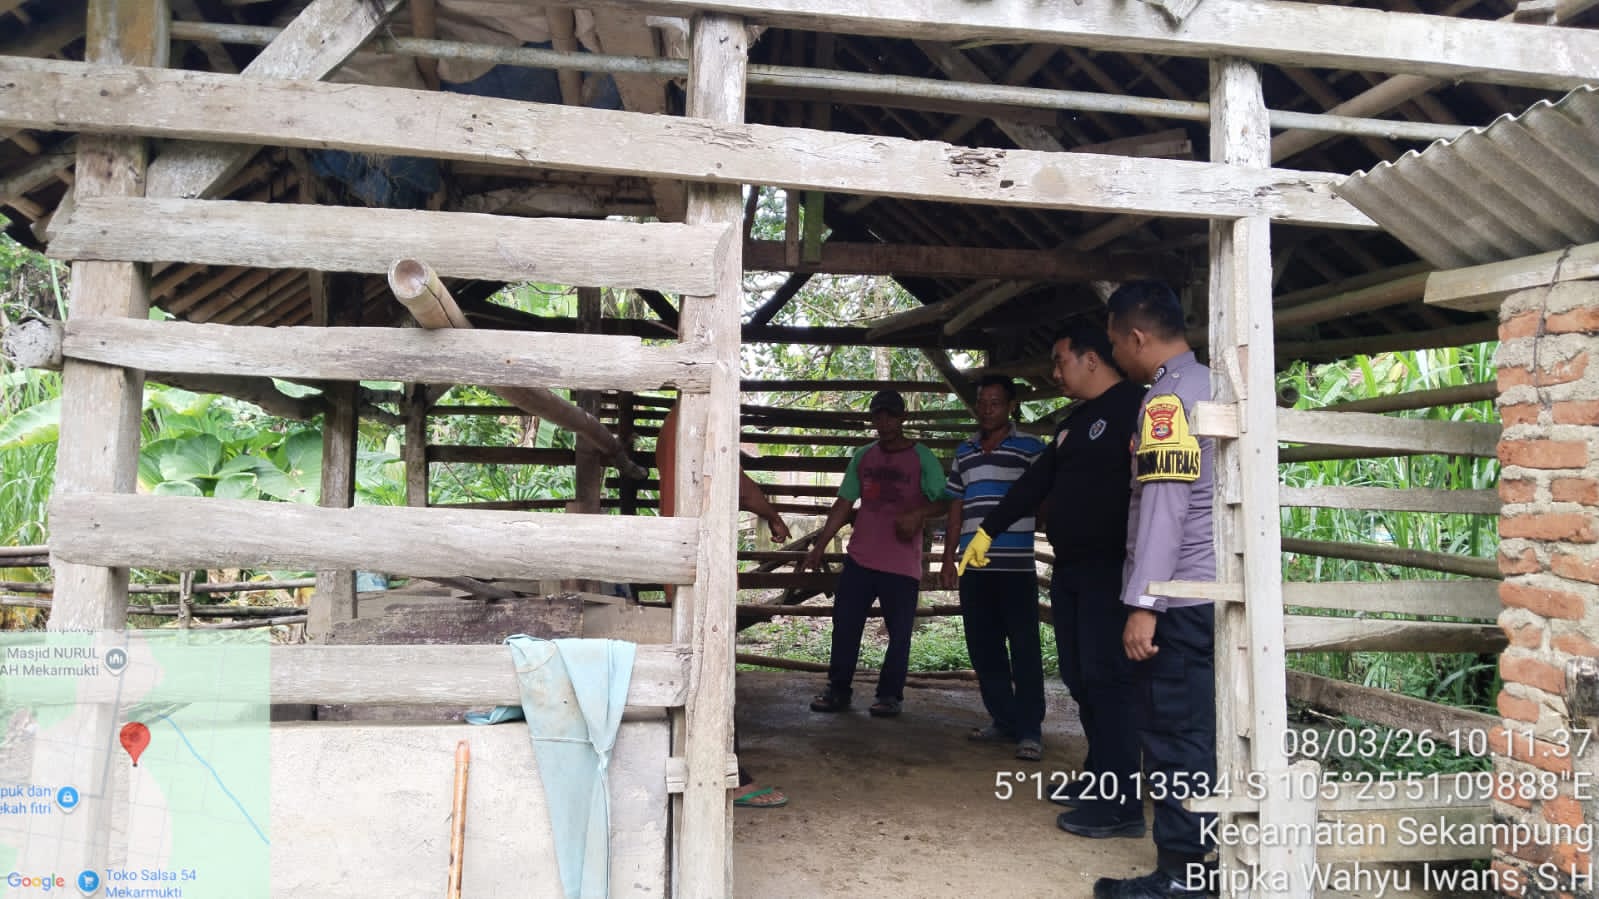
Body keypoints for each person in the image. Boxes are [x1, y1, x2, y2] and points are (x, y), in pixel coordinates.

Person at [960, 325, 1145, 835]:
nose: (1055, 372)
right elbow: (1035, 482)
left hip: (1112, 569)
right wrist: (989, 530)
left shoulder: (1136, 406)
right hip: (1072, 569)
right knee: (1080, 677)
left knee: (1108, 682)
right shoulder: (1074, 422)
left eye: (1060, 361)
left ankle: (1122, 806)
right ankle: (1099, 778)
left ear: (1091, 359)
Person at [1093, 281, 1218, 899]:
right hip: (1208, 593)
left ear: (1137, 337)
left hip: (1178, 600)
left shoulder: (1167, 402)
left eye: (1115, 345)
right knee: (1199, 732)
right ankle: (1205, 863)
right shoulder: (1211, 384)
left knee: (1173, 736)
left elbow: (1166, 507)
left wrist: (1145, 603)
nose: (1116, 357)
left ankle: (1181, 875)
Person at [657, 404, 793, 809]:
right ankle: (729, 776)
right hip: (704, 563)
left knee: (692, 668)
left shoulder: (673, 422)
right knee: (714, 673)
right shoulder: (705, 418)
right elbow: (739, 486)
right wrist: (772, 514)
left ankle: (694, 762)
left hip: (677, 559)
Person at [804, 389, 947, 718]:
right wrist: (821, 545)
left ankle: (890, 695)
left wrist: (918, 514)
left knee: (899, 634)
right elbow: (844, 503)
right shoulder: (864, 456)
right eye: (878, 416)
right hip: (861, 558)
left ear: (902, 418)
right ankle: (838, 689)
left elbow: (945, 500)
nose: (884, 422)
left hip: (901, 563)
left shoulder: (922, 457)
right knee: (845, 625)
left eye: (890, 415)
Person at [927, 376, 1048, 761]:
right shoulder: (965, 451)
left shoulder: (1031, 448)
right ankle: (1004, 719)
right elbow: (956, 507)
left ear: (1011, 406)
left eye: (995, 403)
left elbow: (1045, 495)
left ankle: (1030, 730)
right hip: (974, 567)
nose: (986, 409)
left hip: (1015, 567)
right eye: (982, 402)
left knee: (1024, 648)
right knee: (983, 646)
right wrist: (949, 557)